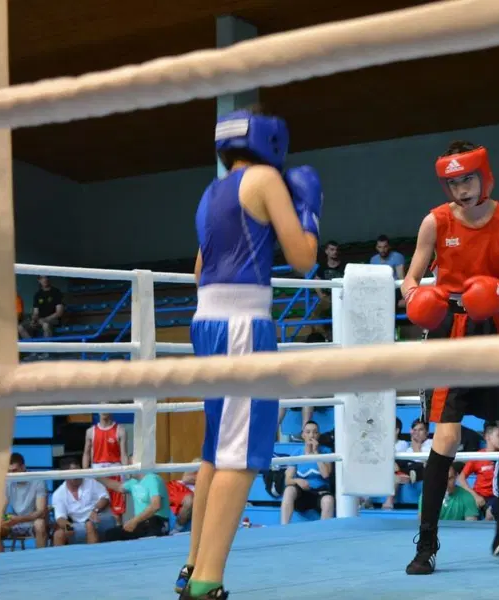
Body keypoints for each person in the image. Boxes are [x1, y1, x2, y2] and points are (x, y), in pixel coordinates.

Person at [176, 108, 322, 600]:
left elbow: (199, 271)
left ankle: (192, 564)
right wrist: (310, 212)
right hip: (243, 325)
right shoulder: (264, 178)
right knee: (241, 457)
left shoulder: (209, 192)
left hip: (206, 322)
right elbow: (304, 260)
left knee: (216, 454)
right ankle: (206, 583)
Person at [402, 140, 499, 574]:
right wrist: (421, 300)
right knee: (447, 438)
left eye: (468, 179)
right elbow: (410, 281)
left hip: (495, 328)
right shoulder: (434, 223)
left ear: (485, 175)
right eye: (454, 182)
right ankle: (426, 545)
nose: (461, 189)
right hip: (449, 329)